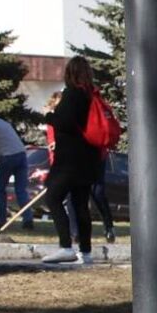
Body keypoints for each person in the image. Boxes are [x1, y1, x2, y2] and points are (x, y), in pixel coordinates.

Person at [40, 56, 103, 264]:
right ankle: (85, 252)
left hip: (69, 160)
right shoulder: (90, 95)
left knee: (53, 198)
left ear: (69, 74)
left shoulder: (72, 95)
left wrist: (49, 115)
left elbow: (64, 122)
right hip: (89, 158)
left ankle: (66, 246)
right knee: (80, 205)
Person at [0, 116, 31, 230]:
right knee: (21, 190)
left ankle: (0, 220)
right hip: (22, 155)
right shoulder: (4, 123)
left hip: (8, 157)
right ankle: (28, 220)